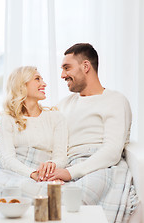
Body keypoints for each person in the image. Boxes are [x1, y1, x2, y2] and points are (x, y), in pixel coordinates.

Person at [43, 43, 132, 182]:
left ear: (85, 66)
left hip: (98, 167)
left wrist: (70, 173)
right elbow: (37, 119)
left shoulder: (115, 100)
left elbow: (112, 152)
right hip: (67, 164)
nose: (62, 75)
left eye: (67, 68)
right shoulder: (64, 104)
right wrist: (12, 113)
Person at [0, 66, 68, 182]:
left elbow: (61, 157)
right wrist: (32, 174)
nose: (44, 84)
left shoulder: (56, 118)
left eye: (42, 79)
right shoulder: (6, 119)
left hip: (46, 174)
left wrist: (51, 165)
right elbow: (6, 160)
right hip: (15, 174)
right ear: (22, 84)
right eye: (37, 79)